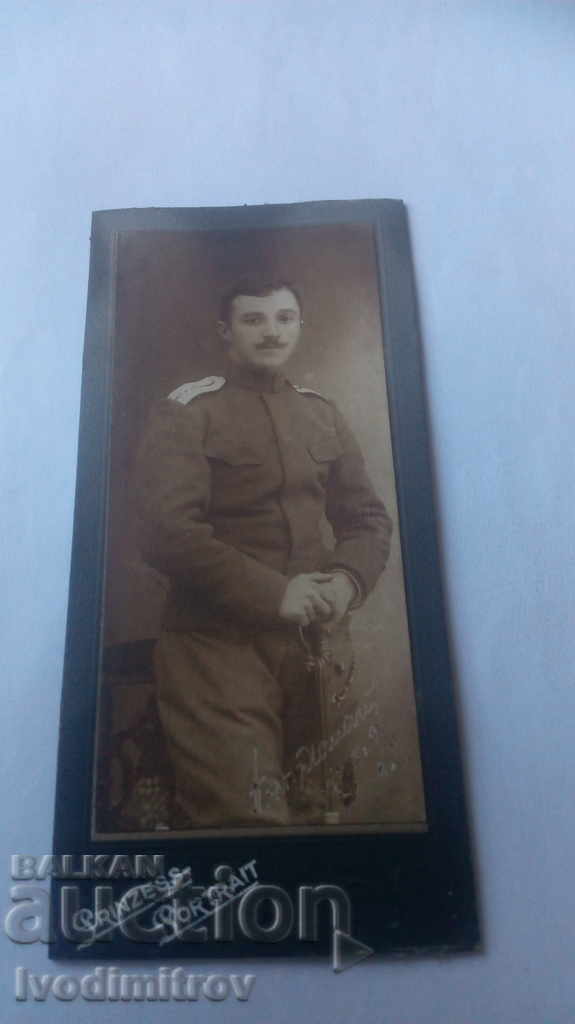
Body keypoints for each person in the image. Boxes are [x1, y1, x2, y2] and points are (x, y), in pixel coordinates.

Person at [135, 279, 392, 828]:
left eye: (284, 318)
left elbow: (367, 519)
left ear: (301, 326)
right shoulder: (189, 412)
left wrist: (347, 580)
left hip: (315, 651)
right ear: (226, 332)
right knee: (242, 818)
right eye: (254, 320)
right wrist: (275, 593)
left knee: (319, 813)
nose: (272, 331)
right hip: (215, 649)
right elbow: (165, 532)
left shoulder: (321, 413)